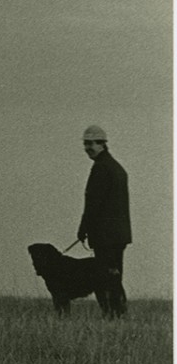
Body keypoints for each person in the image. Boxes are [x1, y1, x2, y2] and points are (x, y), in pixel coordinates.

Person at [77, 125, 131, 317]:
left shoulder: (101, 168)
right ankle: (119, 315)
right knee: (114, 276)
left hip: (105, 236)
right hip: (119, 235)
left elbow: (93, 204)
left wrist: (83, 230)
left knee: (103, 278)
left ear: (101, 144)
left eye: (90, 144)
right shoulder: (116, 168)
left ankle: (110, 316)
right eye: (85, 144)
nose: (87, 148)